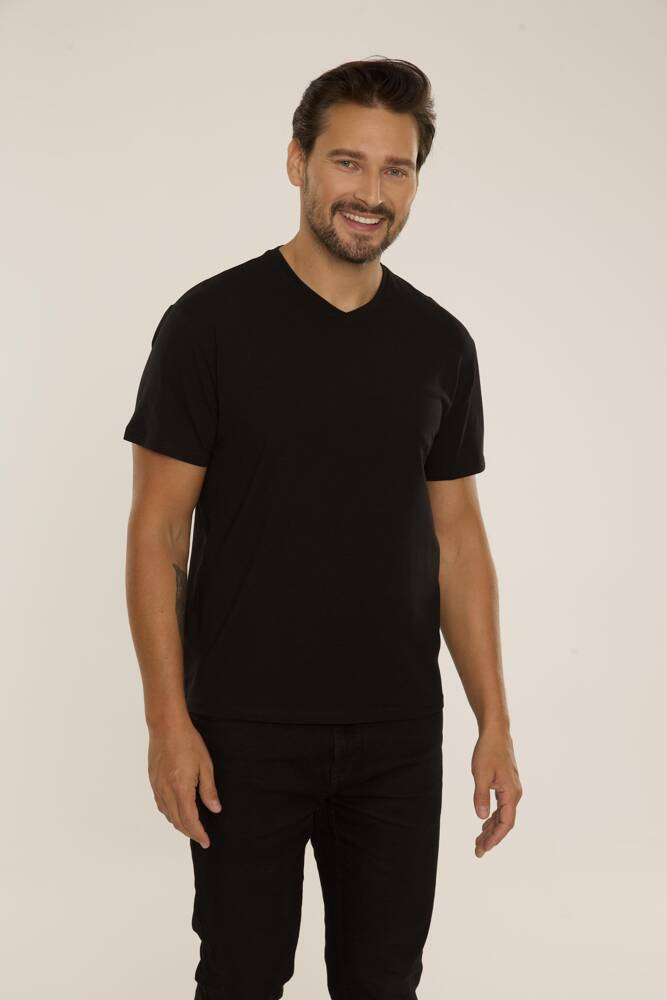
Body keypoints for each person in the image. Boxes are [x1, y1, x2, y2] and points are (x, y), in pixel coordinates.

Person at [123, 56, 522, 1000]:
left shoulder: (439, 344)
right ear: (297, 161)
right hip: (241, 732)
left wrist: (494, 721)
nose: (370, 193)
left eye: (396, 169)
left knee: (384, 982)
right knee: (241, 976)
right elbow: (157, 535)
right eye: (348, 162)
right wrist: (167, 723)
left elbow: (458, 540)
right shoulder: (208, 325)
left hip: (397, 734)